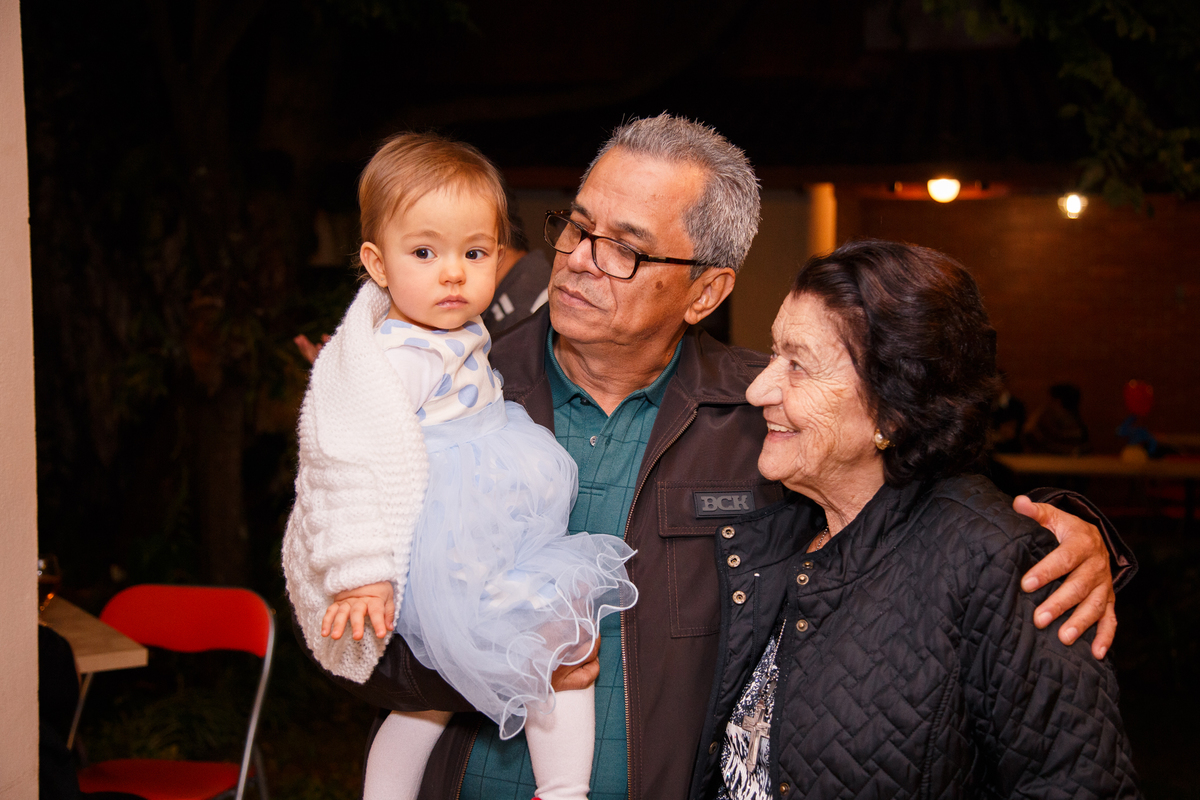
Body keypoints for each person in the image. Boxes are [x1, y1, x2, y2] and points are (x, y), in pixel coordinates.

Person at [293, 114, 1134, 800]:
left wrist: (1081, 536)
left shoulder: (767, 421)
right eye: (577, 225)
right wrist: (480, 667)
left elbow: (920, 503)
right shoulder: (455, 397)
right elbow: (331, 598)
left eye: (624, 245)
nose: (582, 259)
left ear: (706, 290)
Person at [696, 240, 1138, 799]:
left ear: (895, 407)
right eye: (772, 353)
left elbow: (1077, 783)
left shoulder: (1000, 568)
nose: (758, 388)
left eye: (798, 365)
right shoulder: (780, 528)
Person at [282, 132, 638, 800]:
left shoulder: (455, 328)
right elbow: (344, 462)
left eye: (474, 253)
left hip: (483, 516)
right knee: (541, 642)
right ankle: (560, 790)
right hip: (443, 533)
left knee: (457, 691)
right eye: (425, 253)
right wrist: (363, 575)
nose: (453, 273)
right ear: (377, 263)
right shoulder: (396, 356)